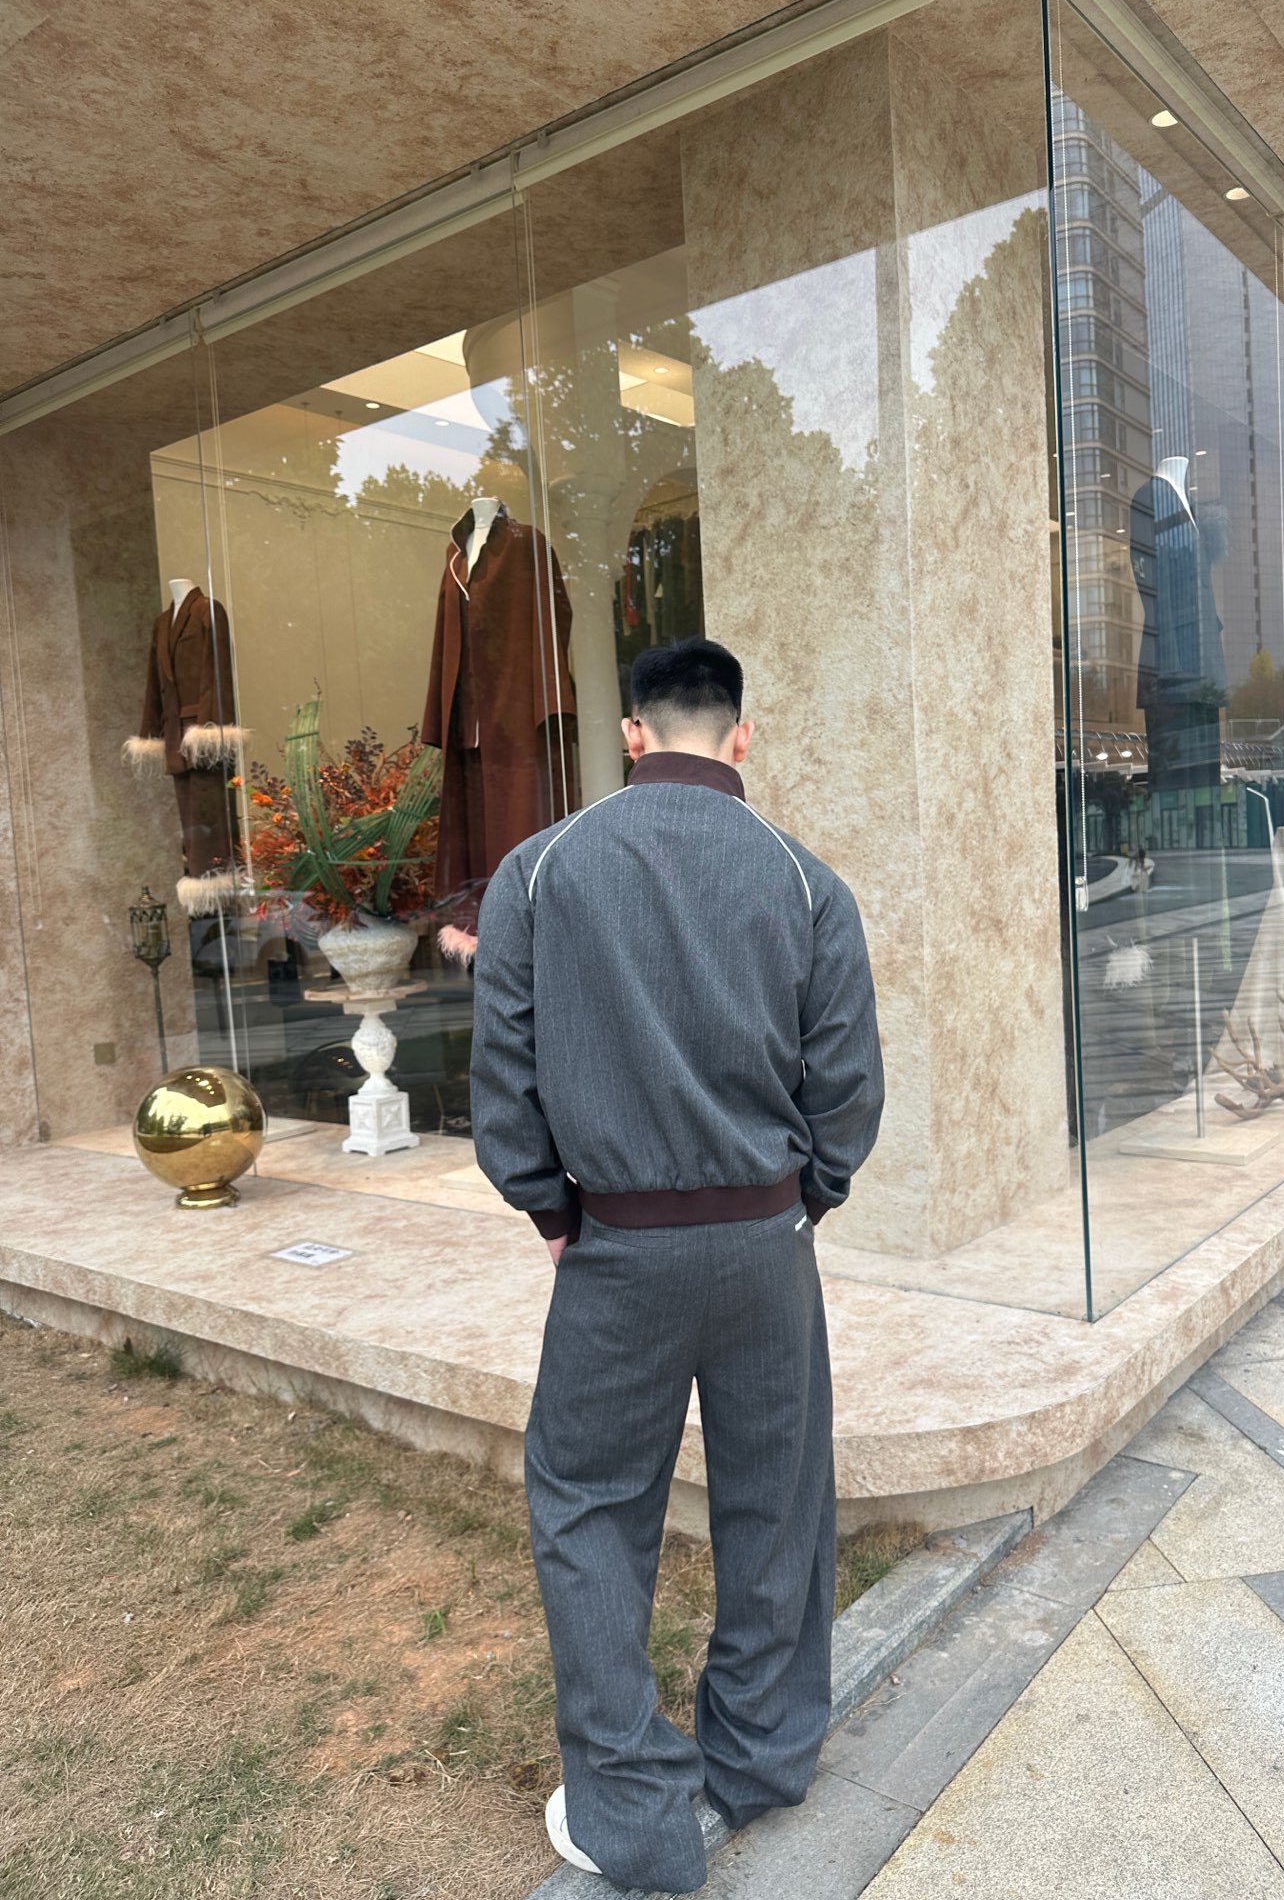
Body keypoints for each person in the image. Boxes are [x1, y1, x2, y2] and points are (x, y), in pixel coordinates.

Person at [469, 635, 886, 1893]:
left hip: (616, 1250)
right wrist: (796, 1204)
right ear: (742, 736)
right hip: (767, 1246)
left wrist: (553, 1208)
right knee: (777, 1499)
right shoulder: (807, 883)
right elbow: (847, 1091)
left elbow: (504, 1079)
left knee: (590, 1507)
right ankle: (759, 1758)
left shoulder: (540, 871)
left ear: (633, 734)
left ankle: (633, 1813)